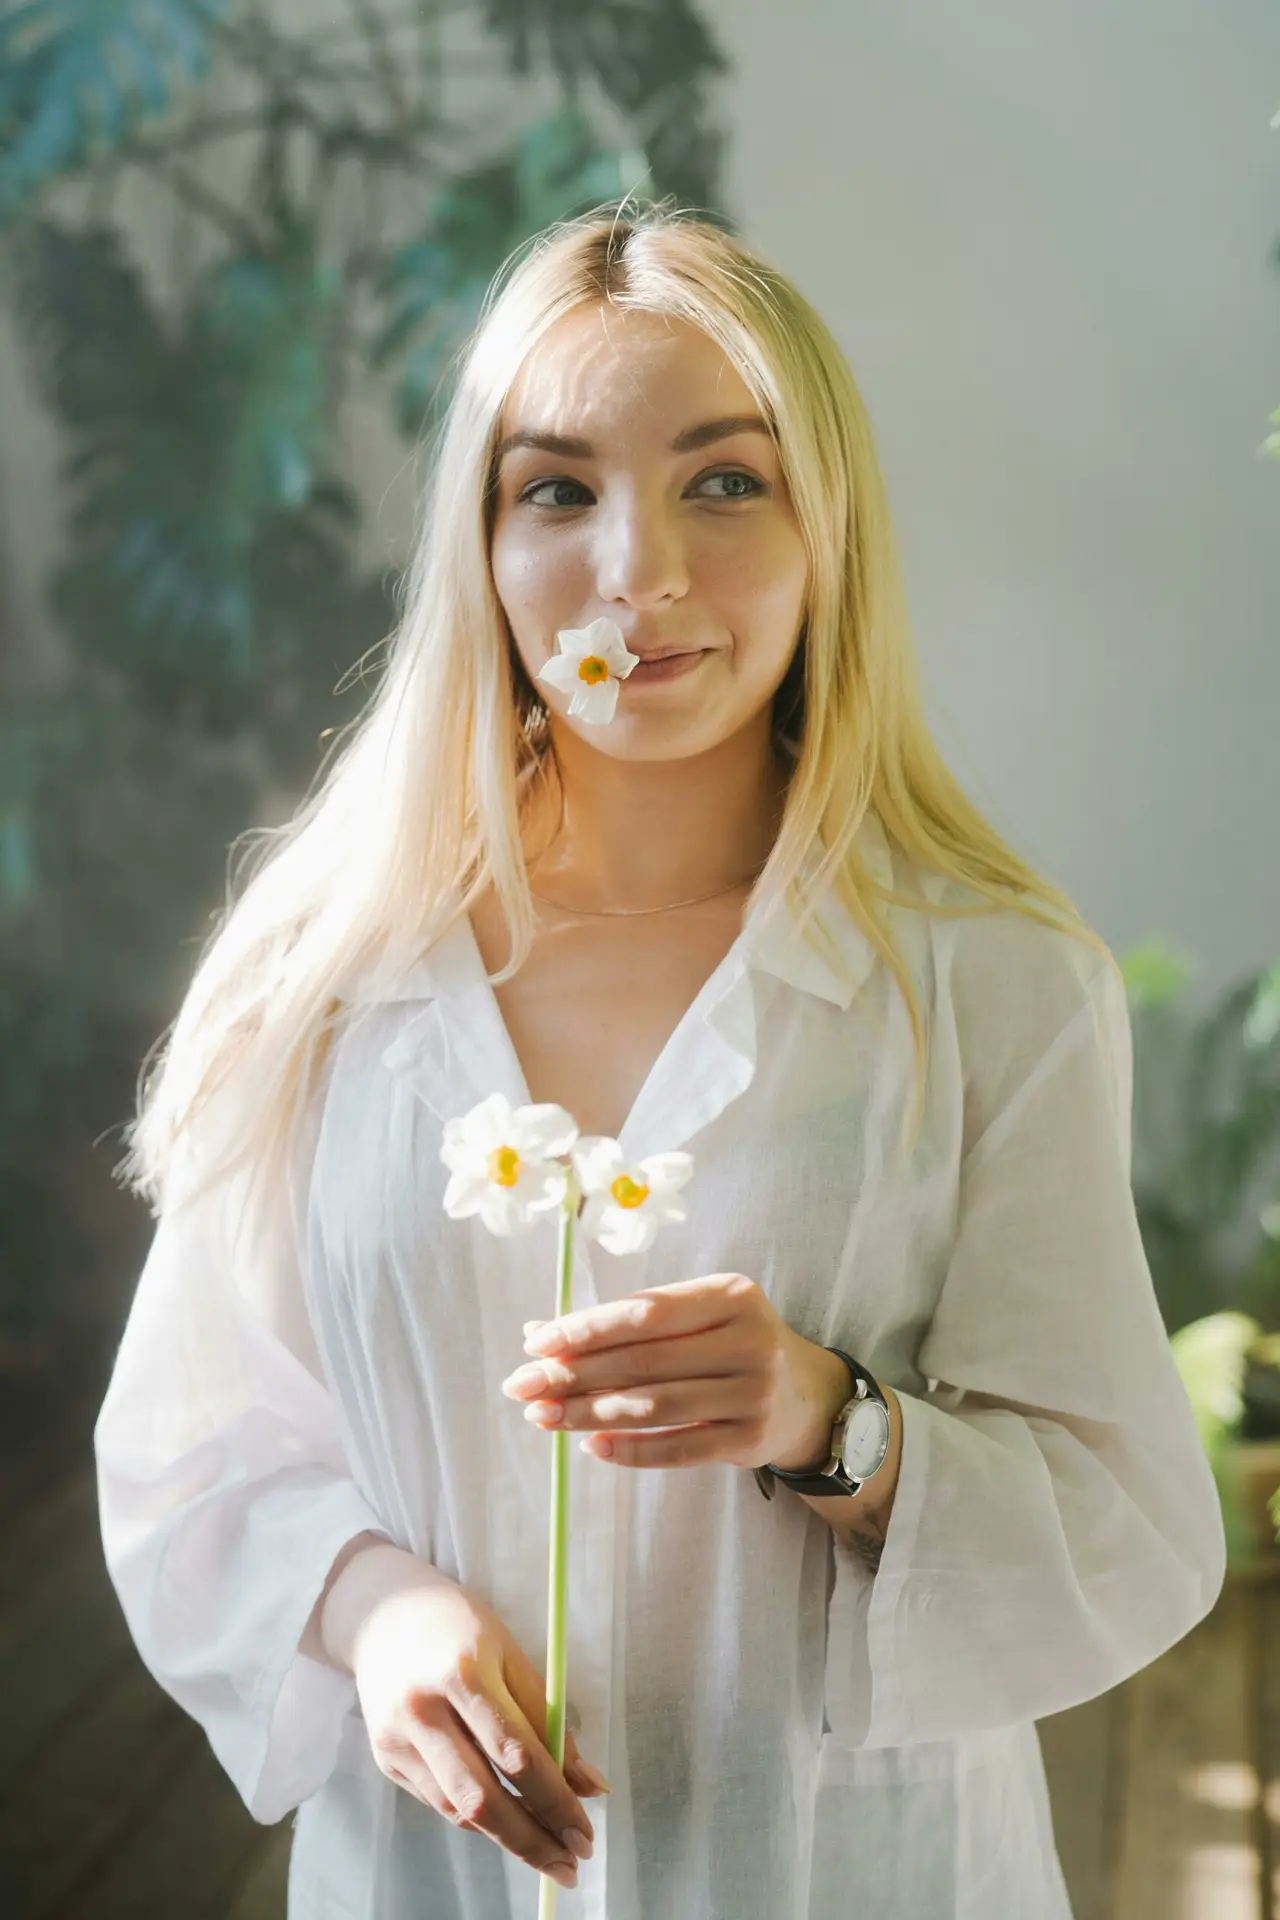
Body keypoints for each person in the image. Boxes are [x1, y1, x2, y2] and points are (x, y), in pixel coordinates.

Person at [94, 202, 1225, 1920]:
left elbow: (1129, 1520)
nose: (641, 573)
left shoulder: (995, 983)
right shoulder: (324, 977)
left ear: (826, 527)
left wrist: (824, 1420)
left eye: (724, 481)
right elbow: (198, 1452)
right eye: (558, 490)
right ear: (478, 544)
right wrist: (373, 1608)